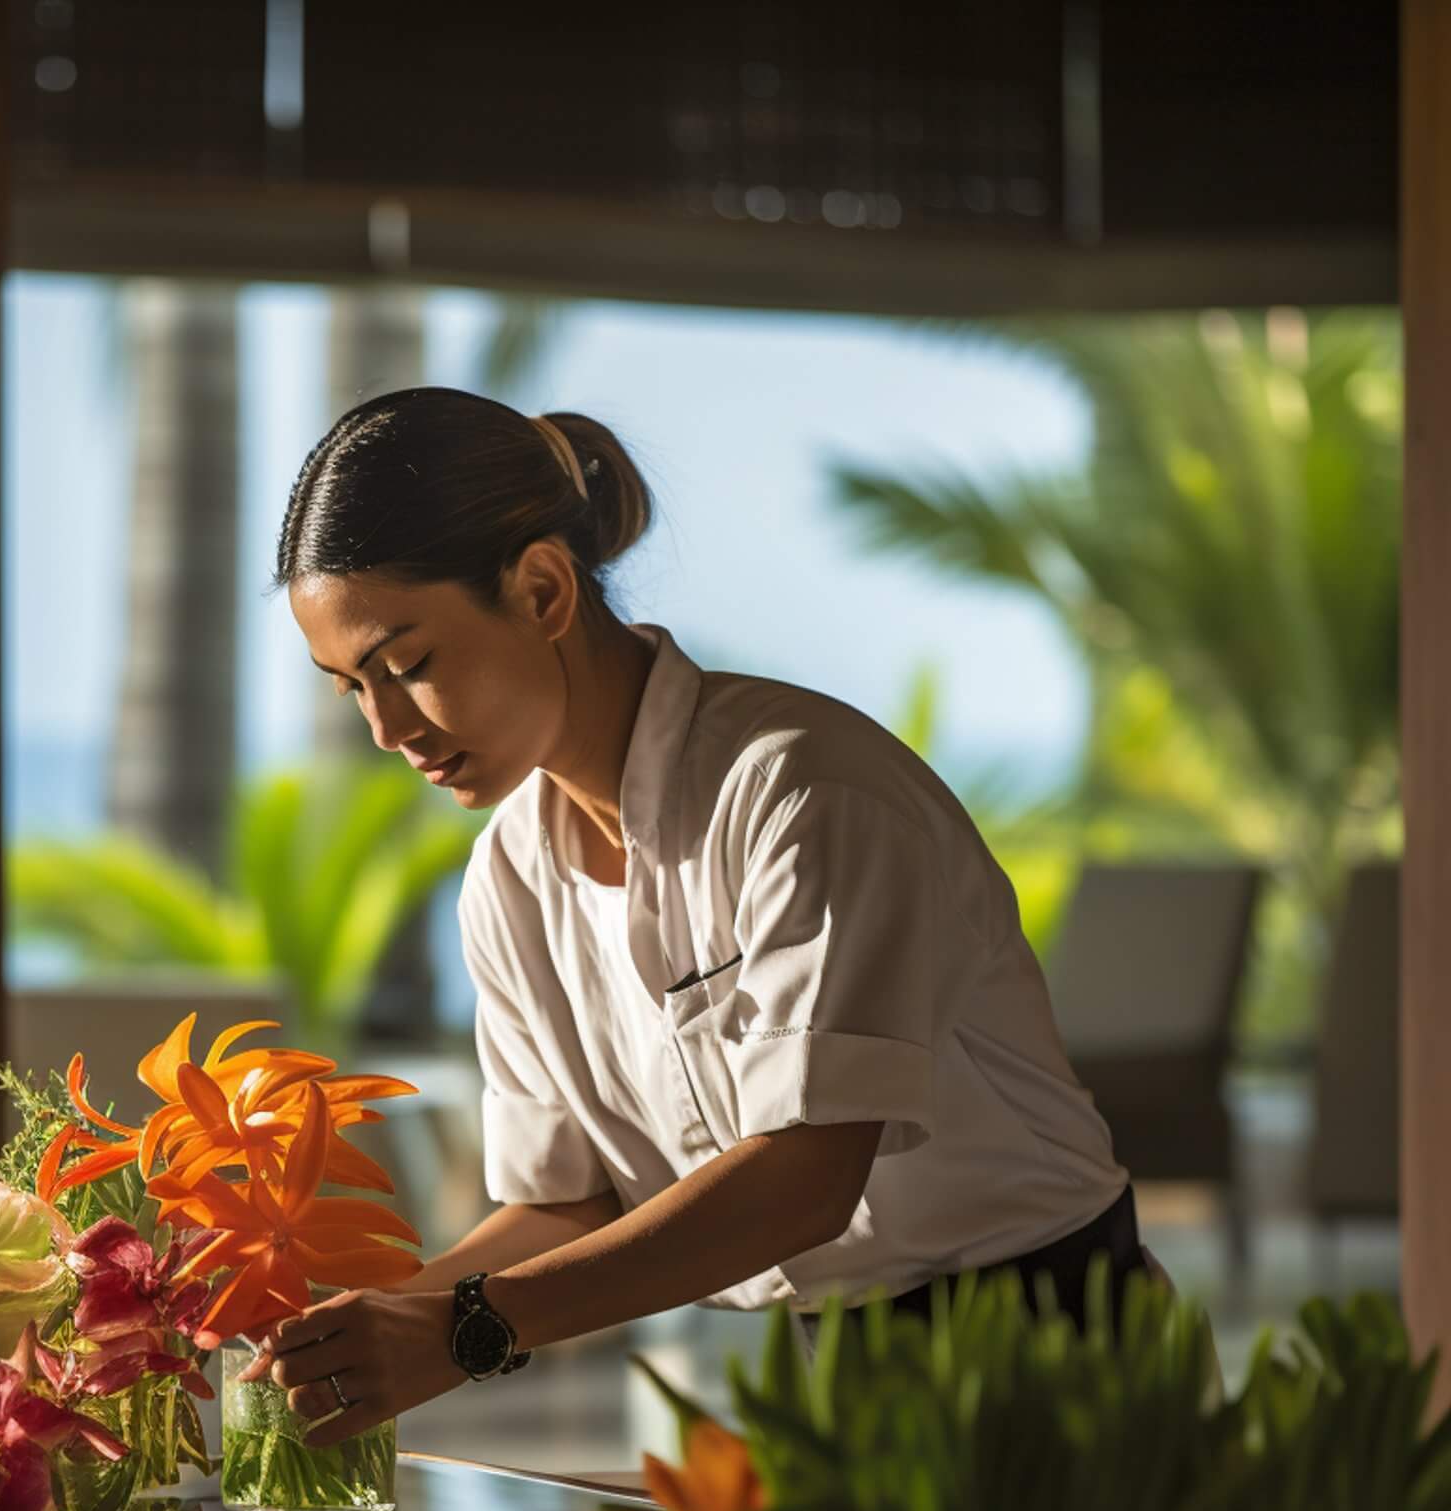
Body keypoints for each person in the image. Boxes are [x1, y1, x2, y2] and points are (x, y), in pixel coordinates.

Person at [245, 386, 1139, 1443]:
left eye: (409, 665)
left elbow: (804, 1178)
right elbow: (567, 1204)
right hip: (830, 1368)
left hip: (1056, 1349)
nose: (387, 727)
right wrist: (361, 1336)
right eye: (352, 687)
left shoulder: (802, 794)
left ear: (540, 590)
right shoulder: (511, 880)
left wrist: (457, 1332)